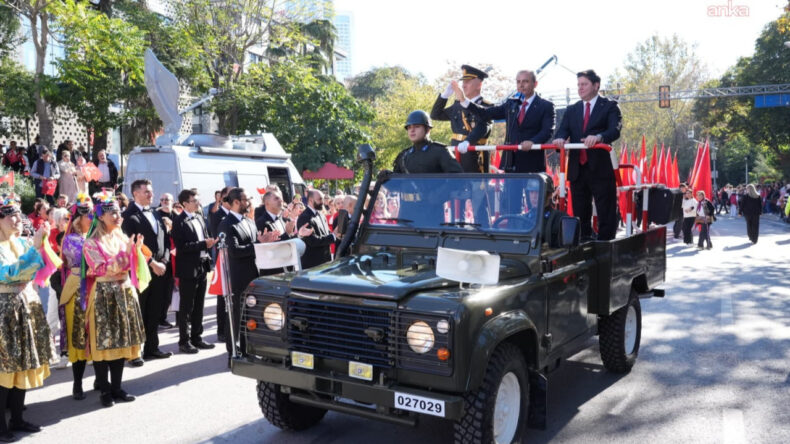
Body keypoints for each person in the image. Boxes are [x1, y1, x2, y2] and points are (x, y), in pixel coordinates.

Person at [82, 191, 145, 407]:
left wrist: (135, 252)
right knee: (104, 344)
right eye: (112, 213)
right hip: (104, 295)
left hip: (124, 292)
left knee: (121, 341)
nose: (118, 216)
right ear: (101, 216)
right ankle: (105, 390)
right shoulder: (91, 243)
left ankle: (117, 387)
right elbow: (100, 268)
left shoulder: (122, 237)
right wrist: (125, 255)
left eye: (118, 212)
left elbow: (132, 265)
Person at [0, 194, 53, 441]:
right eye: (10, 215)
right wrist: (35, 249)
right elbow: (9, 274)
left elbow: (40, 270)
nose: (17, 219)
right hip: (4, 312)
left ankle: (18, 417)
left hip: (25, 305)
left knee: (23, 363)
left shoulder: (21, 243)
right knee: (4, 368)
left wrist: (42, 246)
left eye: (19, 215)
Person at [552, 69, 622, 241]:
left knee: (606, 211)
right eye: (578, 85)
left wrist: (599, 137)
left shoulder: (610, 107)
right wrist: (559, 140)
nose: (580, 88)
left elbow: (615, 130)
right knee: (580, 213)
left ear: (596, 85)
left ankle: (606, 247)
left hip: (600, 168)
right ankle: (584, 244)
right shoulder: (572, 110)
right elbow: (561, 132)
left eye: (584, 84)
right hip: (577, 170)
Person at [217, 188, 281, 357]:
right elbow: (235, 251)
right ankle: (234, 351)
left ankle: (248, 347)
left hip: (253, 274)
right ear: (236, 202)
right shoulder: (226, 223)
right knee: (237, 314)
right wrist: (257, 245)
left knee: (251, 314)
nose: (249, 203)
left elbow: (253, 244)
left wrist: (262, 241)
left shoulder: (249, 221)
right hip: (238, 277)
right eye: (246, 200)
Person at [458, 69, 556, 173]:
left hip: (532, 162)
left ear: (535, 84)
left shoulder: (546, 106)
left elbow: (547, 130)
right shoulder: (511, 104)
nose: (521, 85)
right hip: (510, 162)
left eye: (525, 81)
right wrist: (465, 102)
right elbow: (487, 113)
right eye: (518, 82)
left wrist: (533, 141)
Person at [121, 179, 172, 363]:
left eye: (151, 191)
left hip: (159, 269)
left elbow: (165, 240)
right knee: (138, 311)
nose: (151, 195)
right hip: (141, 271)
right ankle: (135, 353)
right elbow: (133, 244)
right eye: (147, 192)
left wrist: (164, 261)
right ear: (135, 194)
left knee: (155, 311)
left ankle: (152, 347)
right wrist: (152, 263)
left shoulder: (156, 214)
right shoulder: (128, 216)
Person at [172, 189, 217, 354]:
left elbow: (204, 238)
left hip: (202, 266)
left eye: (198, 200)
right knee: (186, 306)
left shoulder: (199, 217)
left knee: (199, 304)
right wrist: (203, 244)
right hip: (188, 269)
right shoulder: (179, 221)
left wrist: (209, 243)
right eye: (194, 201)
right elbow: (181, 247)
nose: (198, 203)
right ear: (185, 203)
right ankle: (184, 340)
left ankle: (197, 337)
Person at [57, 195, 93, 400]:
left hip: (94, 290)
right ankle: (77, 383)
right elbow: (84, 263)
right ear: (79, 219)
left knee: (95, 335)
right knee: (79, 337)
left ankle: (99, 379)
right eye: (89, 216)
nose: (93, 219)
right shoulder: (70, 239)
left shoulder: (94, 236)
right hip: (77, 293)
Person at [430, 65, 493, 172]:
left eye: (468, 81)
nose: (463, 85)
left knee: (476, 187)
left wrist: (468, 142)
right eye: (463, 82)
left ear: (479, 84)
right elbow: (435, 115)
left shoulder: (487, 106)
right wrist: (444, 96)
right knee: (456, 187)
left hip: (475, 155)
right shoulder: (457, 105)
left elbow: (483, 127)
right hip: (455, 154)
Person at [393, 111, 464, 174]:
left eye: (417, 126)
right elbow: (396, 184)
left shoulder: (441, 152)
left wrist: (438, 189)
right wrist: (387, 177)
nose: (412, 130)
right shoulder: (404, 155)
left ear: (427, 130)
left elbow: (457, 179)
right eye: (409, 127)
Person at [208, 186, 232, 343]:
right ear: (223, 198)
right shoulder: (218, 215)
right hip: (223, 258)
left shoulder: (235, 214)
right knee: (222, 296)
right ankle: (221, 330)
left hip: (233, 260)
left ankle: (229, 327)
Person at [297, 190, 343, 269]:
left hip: (324, 262)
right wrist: (333, 236)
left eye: (322, 199)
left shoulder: (321, 215)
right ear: (311, 200)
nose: (323, 202)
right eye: (319, 199)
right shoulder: (304, 217)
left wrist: (336, 234)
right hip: (312, 265)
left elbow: (326, 233)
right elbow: (313, 241)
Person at [156, 193, 176, 329]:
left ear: (172, 201)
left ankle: (164, 317)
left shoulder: (177, 215)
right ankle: (158, 319)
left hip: (175, 258)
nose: (164, 202)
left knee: (170, 291)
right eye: (162, 200)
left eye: (167, 200)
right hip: (162, 258)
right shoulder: (155, 215)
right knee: (160, 290)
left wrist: (172, 227)